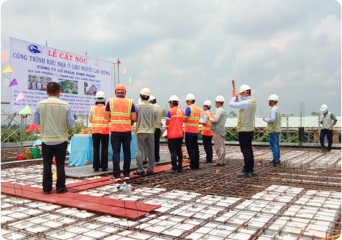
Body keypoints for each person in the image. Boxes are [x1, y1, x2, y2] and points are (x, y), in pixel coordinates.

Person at [33, 82, 74, 194]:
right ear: (59, 92)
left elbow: (35, 121)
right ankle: (60, 188)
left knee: (47, 164)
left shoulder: (40, 104)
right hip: (61, 139)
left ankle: (46, 189)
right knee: (60, 164)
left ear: (47, 92)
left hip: (46, 139)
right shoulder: (65, 105)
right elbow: (71, 123)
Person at [105, 84, 136, 181]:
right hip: (126, 131)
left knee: (116, 153)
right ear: (125, 92)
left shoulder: (110, 102)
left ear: (115, 92)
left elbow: (106, 117)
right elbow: (134, 118)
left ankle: (116, 175)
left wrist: (114, 119)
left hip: (115, 131)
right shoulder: (130, 102)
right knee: (127, 152)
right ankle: (126, 174)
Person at [229, 84, 257, 177]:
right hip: (250, 129)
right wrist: (236, 98)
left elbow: (231, 104)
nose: (241, 95)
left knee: (245, 150)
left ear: (245, 92)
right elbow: (239, 104)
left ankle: (247, 170)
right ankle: (250, 169)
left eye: (241, 94)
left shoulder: (246, 103)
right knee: (249, 150)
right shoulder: (253, 102)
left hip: (244, 130)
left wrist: (234, 97)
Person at [133, 88, 156, 176]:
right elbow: (154, 118)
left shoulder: (137, 106)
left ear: (141, 96)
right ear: (149, 97)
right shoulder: (152, 107)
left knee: (139, 151)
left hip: (140, 131)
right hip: (150, 131)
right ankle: (150, 169)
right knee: (150, 151)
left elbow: (134, 118)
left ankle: (140, 169)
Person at [89, 91, 110, 172]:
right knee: (104, 149)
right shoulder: (106, 108)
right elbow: (109, 118)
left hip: (95, 130)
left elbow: (90, 120)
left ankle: (96, 167)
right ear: (104, 99)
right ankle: (104, 166)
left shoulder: (92, 108)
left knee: (96, 149)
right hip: (104, 130)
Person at [165, 95, 185, 173]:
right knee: (179, 151)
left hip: (172, 135)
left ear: (172, 102)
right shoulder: (182, 111)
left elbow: (167, 123)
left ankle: (174, 167)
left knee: (173, 152)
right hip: (180, 134)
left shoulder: (170, 111)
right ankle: (180, 167)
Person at [183, 93, 201, 170]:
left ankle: (192, 165)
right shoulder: (199, 109)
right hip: (195, 131)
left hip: (189, 131)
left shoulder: (188, 108)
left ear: (189, 101)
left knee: (191, 149)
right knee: (196, 148)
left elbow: (185, 119)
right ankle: (196, 164)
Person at [263, 94, 281, 167]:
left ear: (272, 101)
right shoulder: (278, 109)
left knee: (274, 146)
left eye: (269, 101)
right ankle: (276, 159)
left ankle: (276, 161)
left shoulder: (273, 109)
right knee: (276, 146)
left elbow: (272, 119)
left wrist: (265, 119)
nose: (268, 102)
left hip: (273, 130)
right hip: (277, 130)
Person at [209, 96, 228, 166]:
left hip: (218, 130)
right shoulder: (224, 110)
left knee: (218, 147)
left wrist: (210, 118)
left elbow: (215, 120)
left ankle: (220, 161)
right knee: (222, 146)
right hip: (222, 130)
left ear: (218, 102)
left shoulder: (219, 110)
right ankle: (222, 160)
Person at [149, 95, 163, 163]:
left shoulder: (152, 108)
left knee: (152, 144)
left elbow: (152, 118)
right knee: (157, 144)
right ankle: (157, 157)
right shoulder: (160, 108)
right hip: (158, 128)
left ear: (151, 101)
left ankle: (153, 158)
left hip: (153, 128)